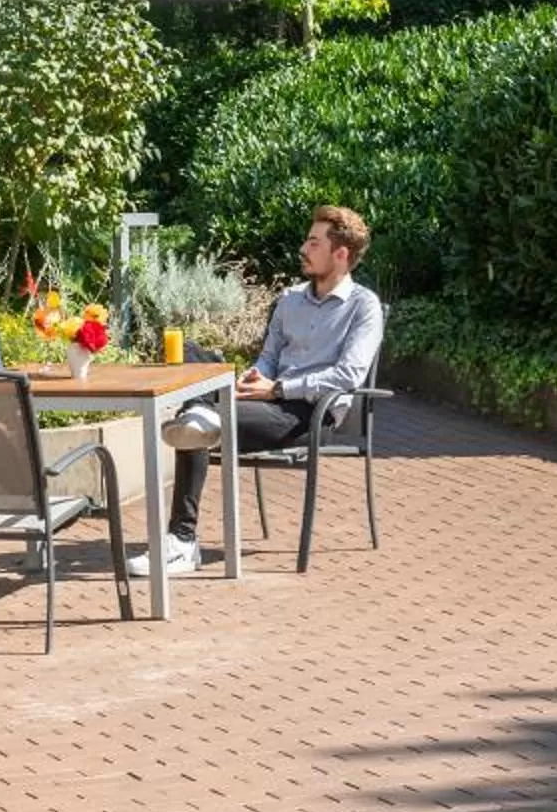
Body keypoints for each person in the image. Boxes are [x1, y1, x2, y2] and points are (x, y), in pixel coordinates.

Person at [132, 205, 383, 578]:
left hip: (311, 413)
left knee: (200, 421)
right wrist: (255, 378)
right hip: (268, 399)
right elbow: (268, 357)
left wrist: (279, 388)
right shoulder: (290, 299)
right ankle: (200, 417)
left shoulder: (364, 307)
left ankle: (182, 541)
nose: (304, 247)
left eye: (314, 242)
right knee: (194, 359)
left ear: (341, 254)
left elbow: (348, 375)